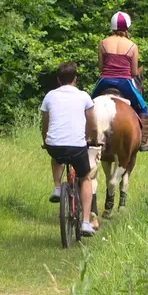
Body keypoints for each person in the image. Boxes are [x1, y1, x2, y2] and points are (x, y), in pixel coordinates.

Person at [40, 61, 100, 234]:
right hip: (77, 147)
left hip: (55, 146)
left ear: (58, 80)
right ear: (75, 79)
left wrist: (45, 140)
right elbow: (93, 124)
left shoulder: (50, 96)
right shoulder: (84, 96)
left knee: (56, 156)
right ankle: (86, 223)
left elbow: (45, 123)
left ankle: (58, 187)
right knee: (85, 178)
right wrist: (91, 138)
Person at [92, 11, 148, 151]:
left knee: (87, 106)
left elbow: (101, 67)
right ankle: (144, 142)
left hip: (104, 81)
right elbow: (133, 73)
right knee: (143, 107)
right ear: (128, 27)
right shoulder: (132, 46)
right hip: (124, 83)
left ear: (112, 26)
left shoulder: (103, 43)